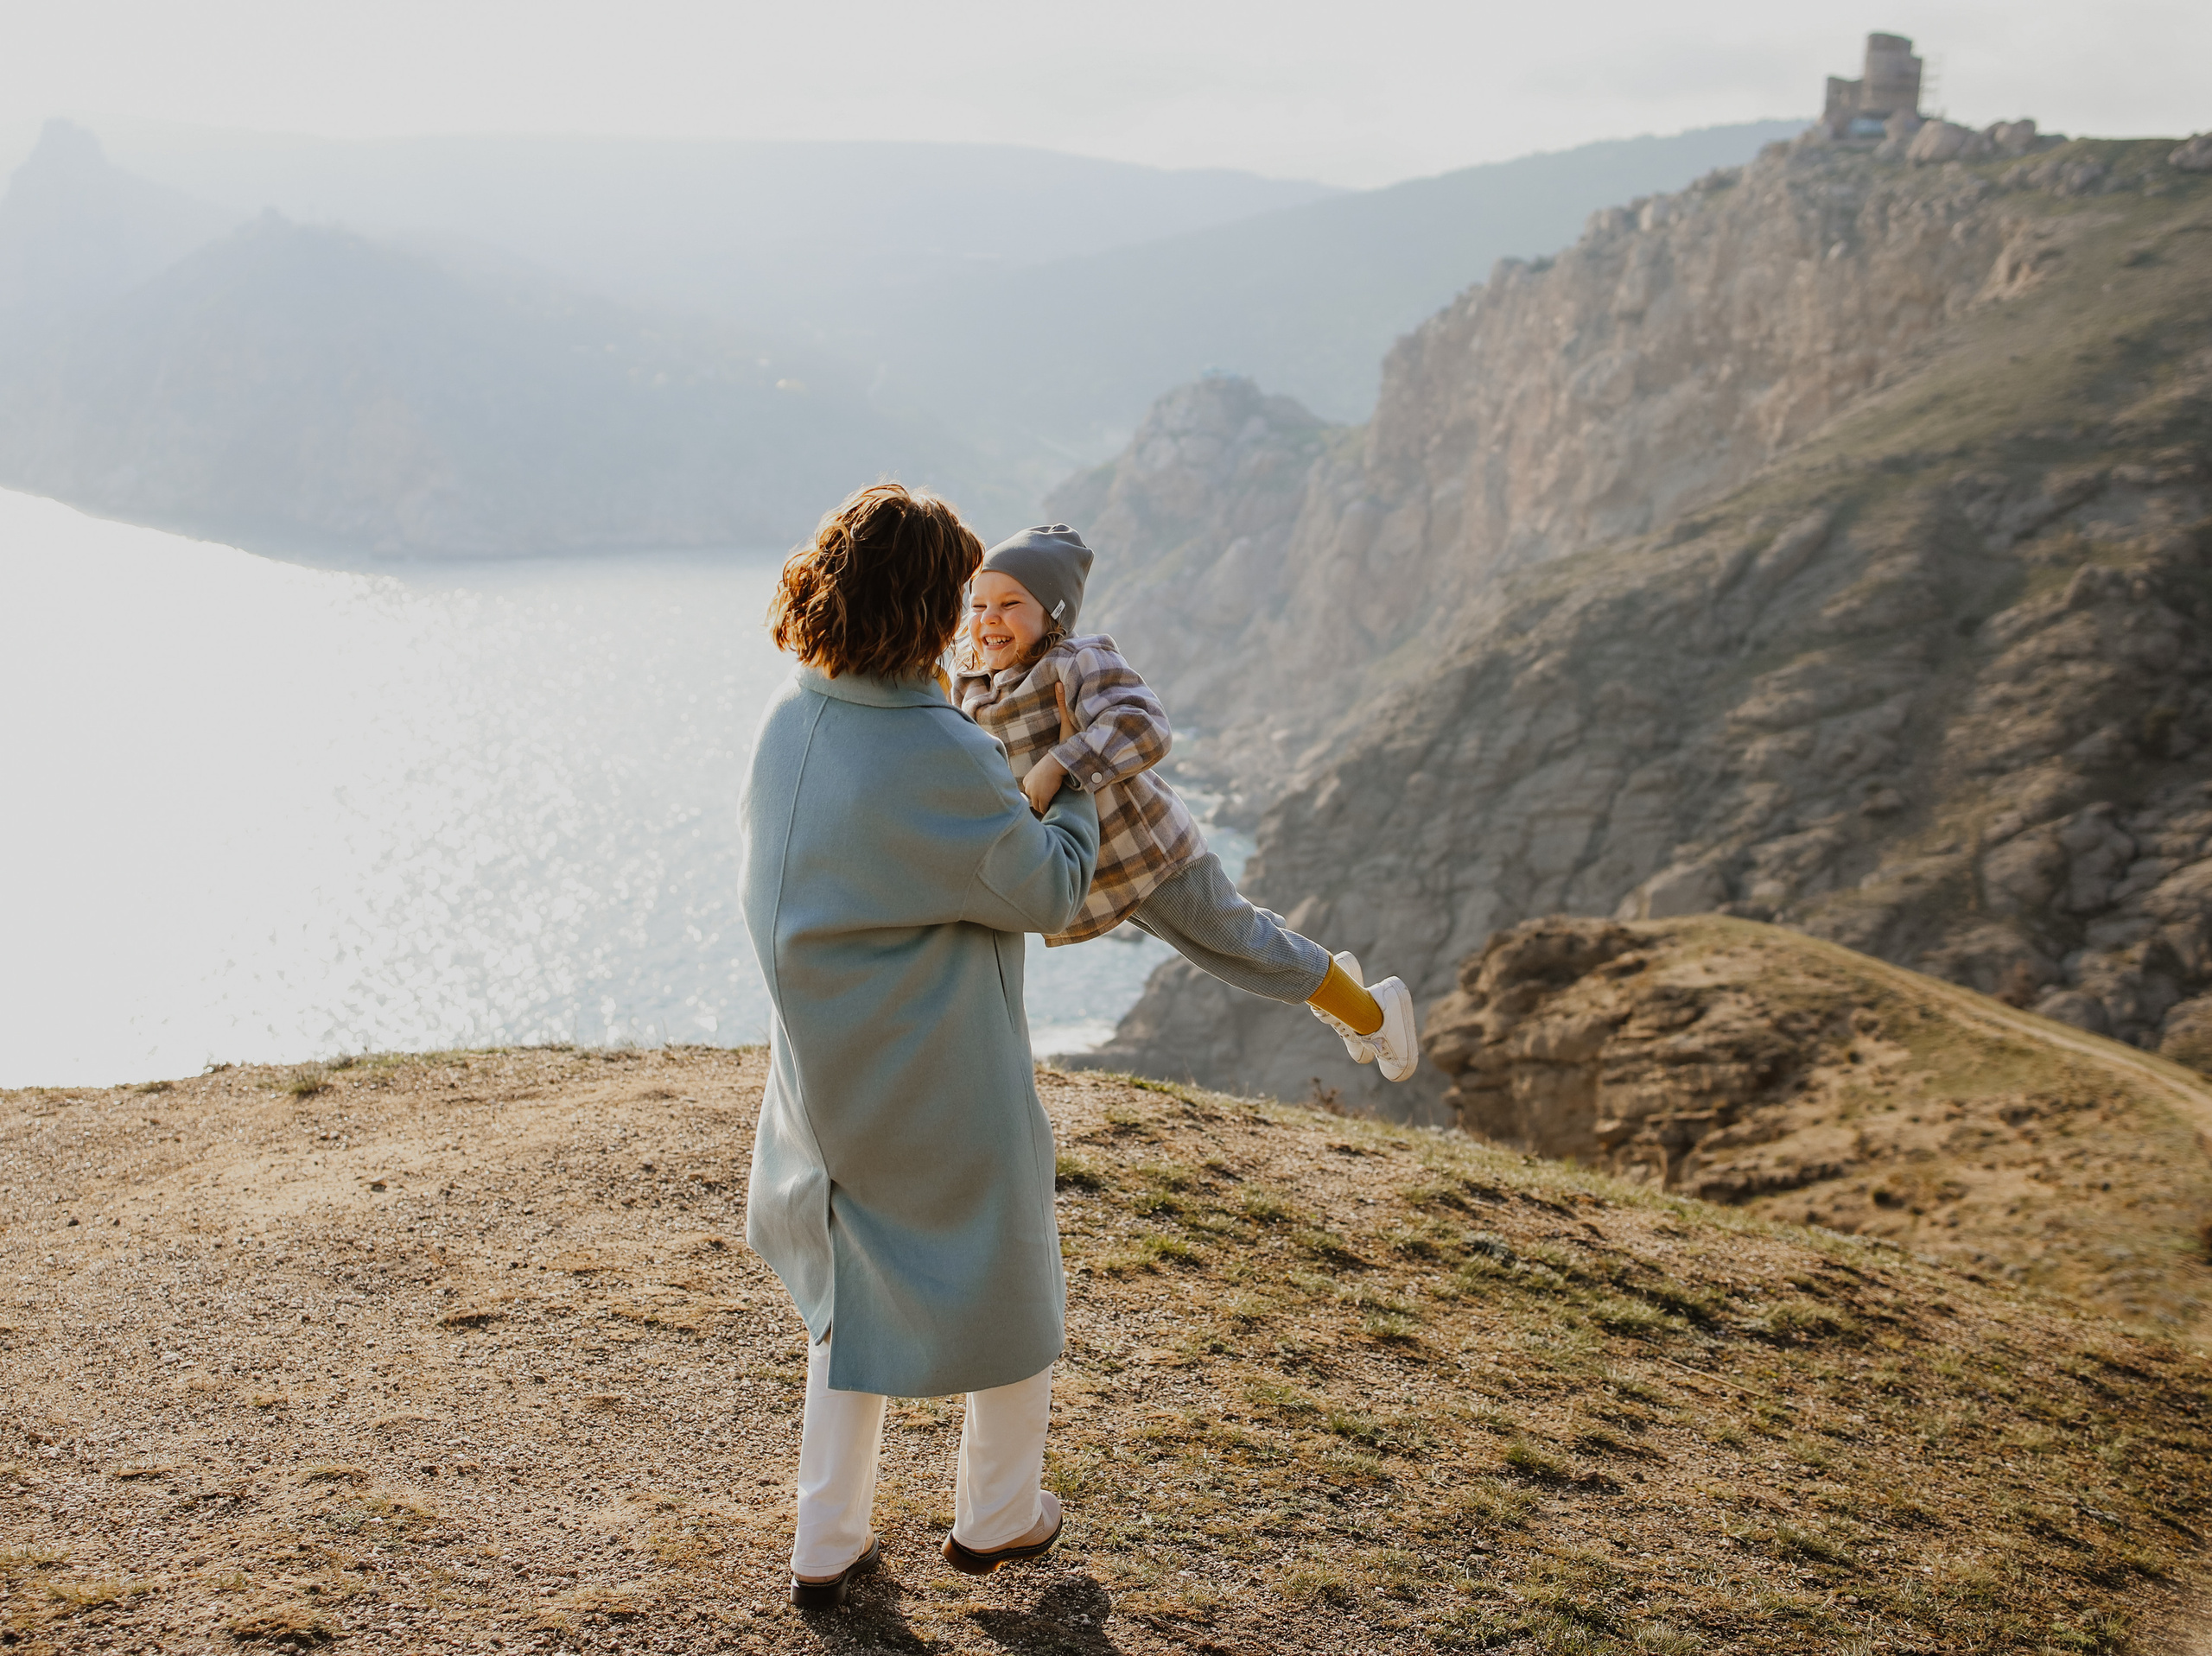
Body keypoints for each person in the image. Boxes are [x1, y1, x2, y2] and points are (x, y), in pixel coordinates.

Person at [741, 484, 1101, 1609]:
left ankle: (826, 1537)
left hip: (824, 1065)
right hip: (934, 1066)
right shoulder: (936, 745)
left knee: (855, 1295)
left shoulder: (792, 715)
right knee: (1008, 1270)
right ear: (918, 606)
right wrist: (1079, 783)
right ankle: (998, 1515)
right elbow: (1043, 886)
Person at [953, 523, 1419, 1081]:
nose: (989, 618)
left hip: (1149, 850)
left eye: (1010, 604)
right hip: (1097, 868)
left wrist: (1063, 761)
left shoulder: (1077, 661)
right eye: (979, 604)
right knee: (1228, 941)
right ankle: (1333, 979)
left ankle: (1372, 1012)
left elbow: (1146, 724)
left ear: (1053, 614)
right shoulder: (971, 677)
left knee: (1235, 945)